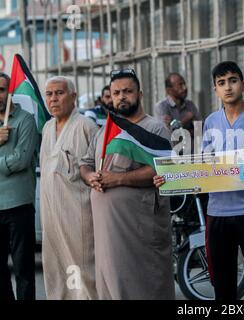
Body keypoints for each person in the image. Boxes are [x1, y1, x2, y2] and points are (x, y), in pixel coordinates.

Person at [155, 61, 244, 301]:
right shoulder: (209, 122)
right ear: (215, 89)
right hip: (218, 213)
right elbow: (203, 167)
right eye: (221, 83)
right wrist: (170, 178)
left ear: (242, 84)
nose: (228, 87)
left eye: (232, 81)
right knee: (222, 283)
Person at [80, 68, 175, 300]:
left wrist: (118, 179)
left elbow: (161, 168)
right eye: (116, 93)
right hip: (107, 231)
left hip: (140, 228)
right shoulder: (106, 130)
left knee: (145, 285)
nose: (121, 97)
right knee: (112, 284)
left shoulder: (154, 128)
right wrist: (90, 176)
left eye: (127, 91)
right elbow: (85, 163)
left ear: (140, 94)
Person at [40, 76, 99, 299]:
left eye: (59, 93)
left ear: (73, 97)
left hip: (78, 215)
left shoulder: (86, 127)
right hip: (51, 216)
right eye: (49, 94)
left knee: (83, 271)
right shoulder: (47, 128)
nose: (53, 99)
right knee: (55, 270)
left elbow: (93, 171)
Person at [0, 72, 38, 300]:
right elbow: (11, 160)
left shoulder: (25, 120)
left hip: (19, 205)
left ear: (10, 92)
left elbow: (22, 160)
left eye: (2, 90)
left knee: (23, 270)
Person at [155, 73, 202, 154]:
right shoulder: (162, 107)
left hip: (192, 154)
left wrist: (176, 125)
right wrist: (186, 119)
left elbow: (200, 130)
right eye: (180, 85)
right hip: (172, 157)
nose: (184, 88)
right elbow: (168, 135)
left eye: (184, 84)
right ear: (169, 90)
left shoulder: (190, 104)